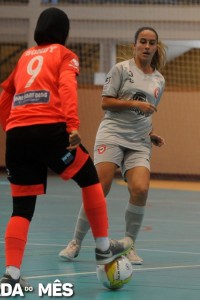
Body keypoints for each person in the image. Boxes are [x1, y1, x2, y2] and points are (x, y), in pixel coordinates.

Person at [0, 7, 133, 288]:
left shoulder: (24, 58)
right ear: (64, 32)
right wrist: (72, 125)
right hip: (50, 130)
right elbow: (67, 88)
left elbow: (2, 102)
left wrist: (12, 132)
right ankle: (103, 247)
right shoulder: (64, 55)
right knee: (89, 179)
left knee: (21, 208)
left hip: (17, 135)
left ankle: (11, 274)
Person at [59, 26, 167, 265]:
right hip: (112, 135)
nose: (147, 46)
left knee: (140, 189)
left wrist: (151, 134)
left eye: (151, 43)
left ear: (156, 47)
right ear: (134, 45)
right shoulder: (120, 69)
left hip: (139, 141)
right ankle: (76, 241)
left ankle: (129, 245)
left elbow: (146, 114)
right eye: (143, 42)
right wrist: (134, 105)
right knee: (100, 188)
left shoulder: (159, 79)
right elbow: (106, 103)